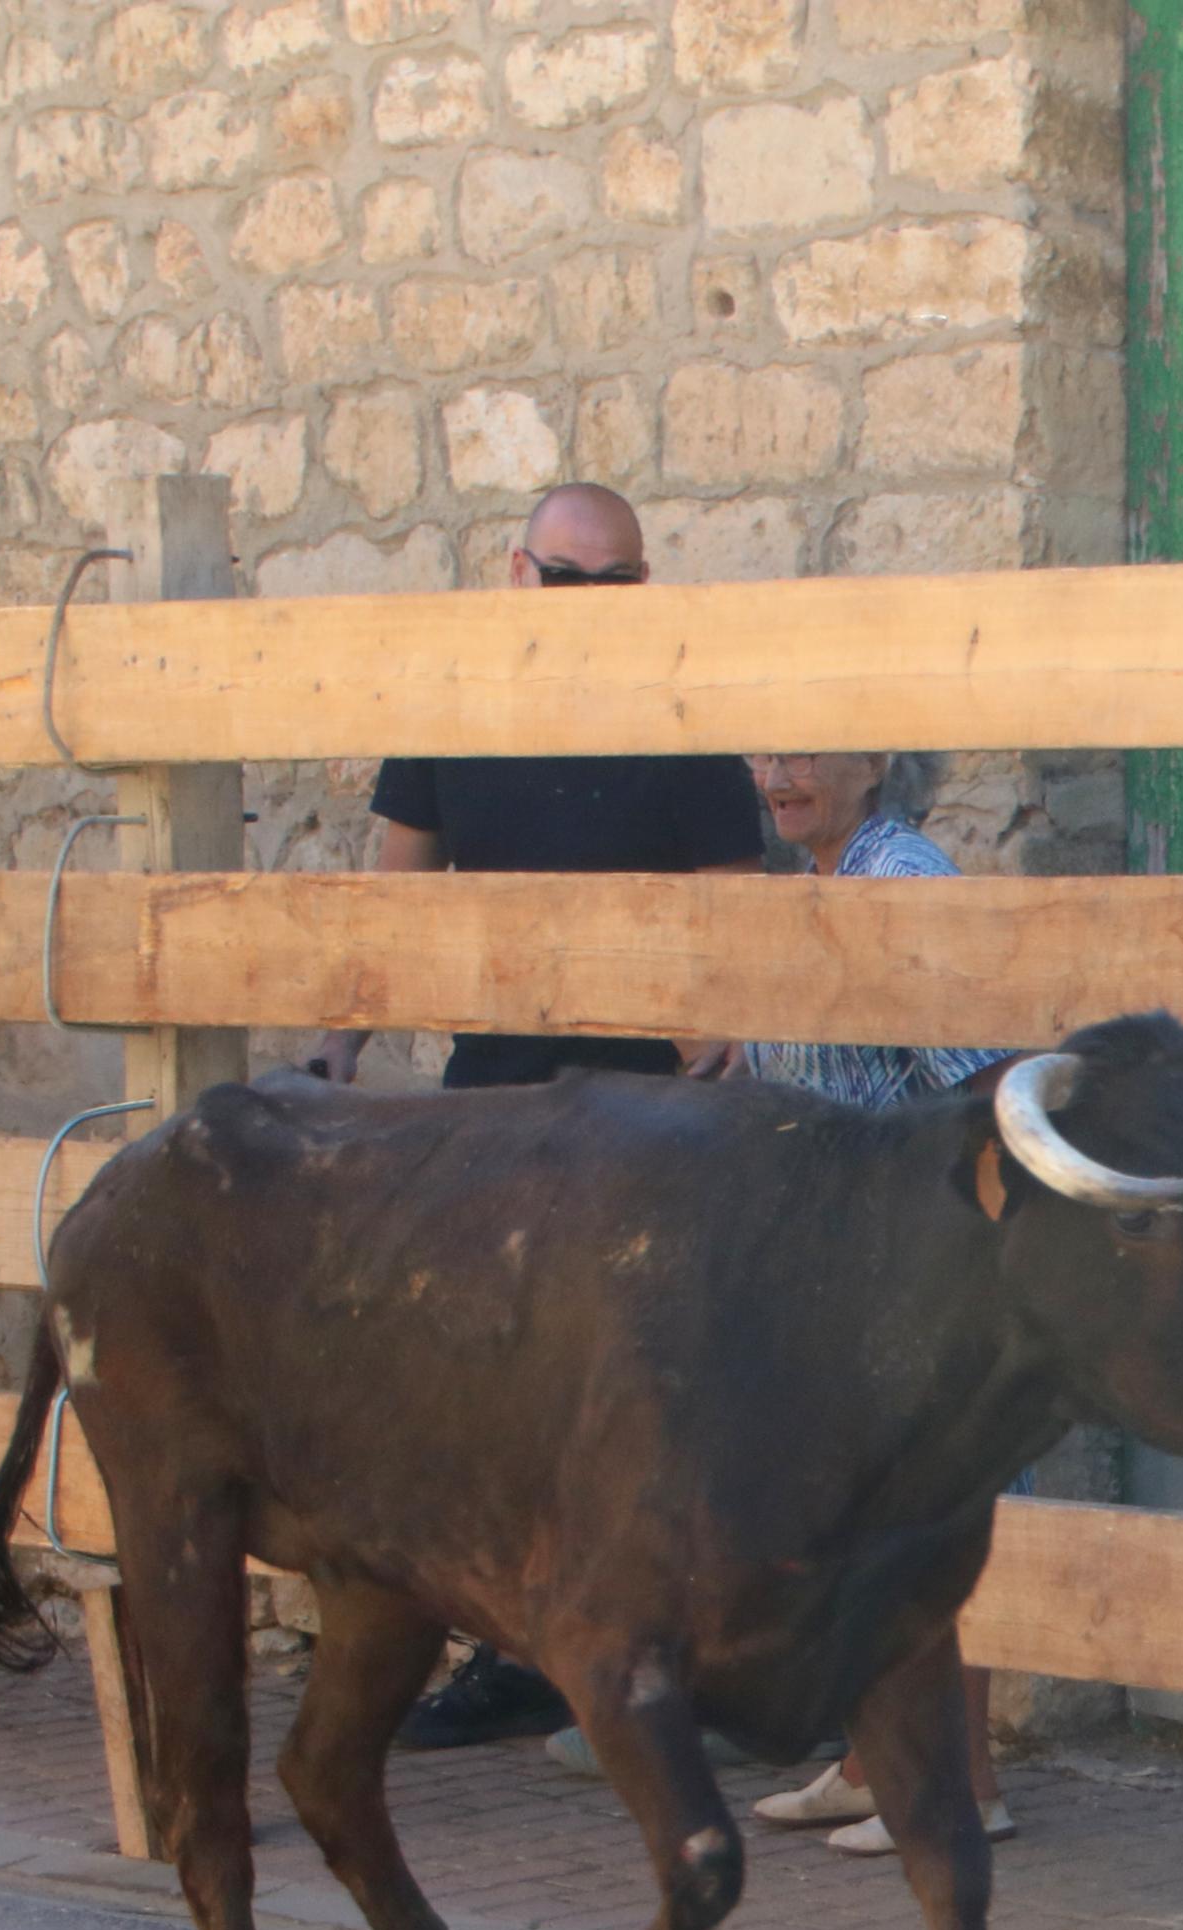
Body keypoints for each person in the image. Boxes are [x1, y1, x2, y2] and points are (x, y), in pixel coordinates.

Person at [329, 483, 771, 1750]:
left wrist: (720, 1055)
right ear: (517, 575)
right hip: (501, 1110)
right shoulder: (448, 712)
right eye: (572, 580)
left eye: (619, 583)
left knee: (637, 1388)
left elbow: (728, 926)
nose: (595, 605)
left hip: (644, 1119)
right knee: (490, 1386)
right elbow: (393, 907)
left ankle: (646, 1663)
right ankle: (515, 1652)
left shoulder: (683, 727)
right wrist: (339, 1042)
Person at [572, 747, 1024, 1855]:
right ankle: (873, 1764)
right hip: (840, 1257)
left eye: (809, 753)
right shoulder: (821, 883)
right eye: (767, 753)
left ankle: (959, 1785)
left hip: (913, 1252)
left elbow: (977, 1084)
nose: (780, 773)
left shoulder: (900, 881)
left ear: (873, 763)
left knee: (917, 1522)